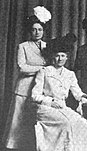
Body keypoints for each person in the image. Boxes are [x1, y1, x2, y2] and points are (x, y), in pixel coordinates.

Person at [2, 6, 51, 151]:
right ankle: (15, 146)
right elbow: (22, 67)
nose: (37, 32)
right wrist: (41, 69)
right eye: (34, 30)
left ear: (43, 31)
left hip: (40, 87)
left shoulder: (48, 46)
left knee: (37, 118)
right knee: (18, 119)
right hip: (24, 87)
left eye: (40, 29)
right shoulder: (22, 46)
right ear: (30, 31)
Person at [31, 33, 87, 151]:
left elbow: (77, 92)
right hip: (46, 108)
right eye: (57, 56)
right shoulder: (44, 71)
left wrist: (83, 98)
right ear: (53, 57)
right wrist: (50, 101)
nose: (60, 59)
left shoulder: (70, 74)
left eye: (63, 55)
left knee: (85, 126)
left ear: (67, 57)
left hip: (62, 107)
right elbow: (35, 95)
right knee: (66, 124)